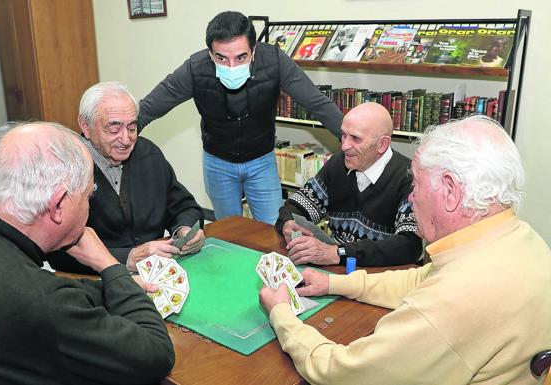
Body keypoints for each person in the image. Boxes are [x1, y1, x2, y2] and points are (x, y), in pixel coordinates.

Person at [260, 115, 551, 384]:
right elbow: (423, 278)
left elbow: (342, 373)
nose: (411, 197)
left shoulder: (457, 299)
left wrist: (282, 314)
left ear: (450, 190)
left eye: (417, 184)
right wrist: (335, 282)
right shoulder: (520, 237)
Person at [0, 122, 175, 384]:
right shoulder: (40, 302)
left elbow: (53, 296)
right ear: (58, 205)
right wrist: (109, 265)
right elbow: (156, 355)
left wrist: (114, 288)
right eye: (88, 195)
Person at [137, 11, 343, 225]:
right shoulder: (195, 68)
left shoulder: (274, 60)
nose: (232, 67)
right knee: (230, 231)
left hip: (262, 161)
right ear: (210, 53)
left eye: (241, 57)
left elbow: (316, 102)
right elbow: (151, 106)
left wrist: (352, 137)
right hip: (218, 162)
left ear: (253, 50)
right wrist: (119, 134)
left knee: (273, 229)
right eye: (221, 58)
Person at [46, 81, 205, 275]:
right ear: (85, 126)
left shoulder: (148, 154)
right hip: (96, 281)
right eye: (113, 129)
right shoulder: (63, 169)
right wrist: (126, 258)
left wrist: (185, 230)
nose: (126, 139)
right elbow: (56, 252)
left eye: (132, 128)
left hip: (157, 271)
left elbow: (183, 206)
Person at [276, 102, 422, 267]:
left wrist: (339, 253)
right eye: (343, 135)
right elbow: (297, 205)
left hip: (381, 275)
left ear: (382, 144)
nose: (344, 146)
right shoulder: (338, 164)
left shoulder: (409, 178)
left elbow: (409, 245)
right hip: (337, 268)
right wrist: (288, 223)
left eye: (355, 139)